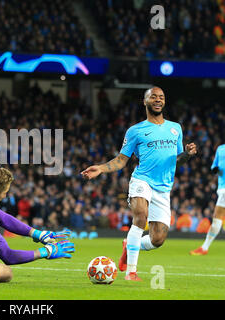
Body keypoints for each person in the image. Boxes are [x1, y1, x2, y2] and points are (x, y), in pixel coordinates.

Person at [81, 87, 197, 281]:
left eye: (161, 97)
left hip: (164, 187)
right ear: (145, 101)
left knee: (157, 240)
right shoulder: (135, 131)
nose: (158, 100)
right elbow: (121, 160)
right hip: (142, 180)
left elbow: (176, 160)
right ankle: (131, 272)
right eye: (153, 97)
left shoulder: (175, 128)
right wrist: (101, 168)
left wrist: (186, 154)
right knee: (140, 217)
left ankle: (130, 244)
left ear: (164, 101)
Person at [190, 144, 225, 255]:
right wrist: (215, 169)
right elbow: (214, 166)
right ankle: (204, 247)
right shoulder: (220, 148)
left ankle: (205, 247)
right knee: (217, 218)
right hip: (221, 187)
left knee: (217, 217)